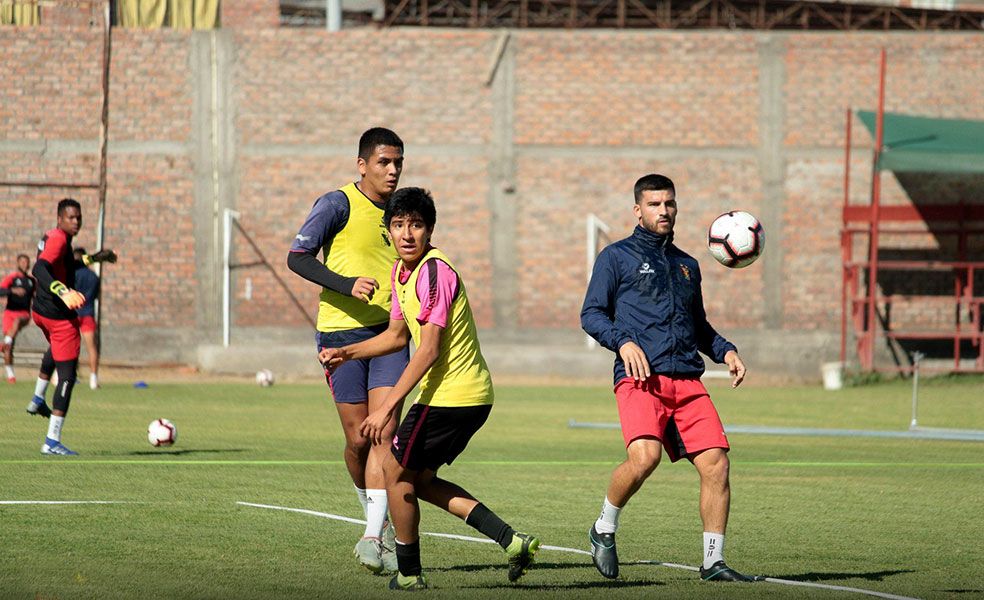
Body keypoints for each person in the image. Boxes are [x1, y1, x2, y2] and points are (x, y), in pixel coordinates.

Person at [320, 187, 540, 591]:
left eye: (416, 225)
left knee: (394, 472)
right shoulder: (400, 272)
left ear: (430, 230)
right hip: (455, 396)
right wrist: (346, 352)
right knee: (419, 481)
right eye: (399, 225)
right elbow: (396, 336)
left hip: (454, 396)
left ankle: (407, 573)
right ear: (388, 231)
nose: (407, 234)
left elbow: (430, 350)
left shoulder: (435, 271)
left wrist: (386, 407)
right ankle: (513, 542)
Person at [580, 174, 759, 583]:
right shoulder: (615, 257)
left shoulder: (687, 265)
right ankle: (603, 527)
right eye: (655, 204)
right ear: (637, 210)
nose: (664, 211)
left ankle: (713, 562)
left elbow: (699, 326)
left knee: (717, 465)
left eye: (670, 204)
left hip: (688, 382)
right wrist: (622, 342)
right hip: (640, 379)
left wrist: (726, 350)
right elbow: (591, 314)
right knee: (645, 458)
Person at [287, 127, 409, 574]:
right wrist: (346, 286)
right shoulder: (336, 204)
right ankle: (370, 508)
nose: (392, 170)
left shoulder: (401, 211)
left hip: (390, 337)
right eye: (383, 162)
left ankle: (375, 534)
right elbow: (296, 258)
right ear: (362, 165)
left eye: (398, 162)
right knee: (358, 440)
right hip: (340, 338)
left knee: (384, 434)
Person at [27, 198, 116, 456]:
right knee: (68, 375)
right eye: (71, 217)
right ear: (59, 218)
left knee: (55, 351)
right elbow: (39, 268)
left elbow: (65, 264)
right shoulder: (58, 240)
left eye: (78, 217)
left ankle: (36, 399)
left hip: (41, 312)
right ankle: (52, 441)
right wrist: (62, 290)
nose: (76, 221)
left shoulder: (57, 237)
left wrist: (95, 258)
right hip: (59, 317)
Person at [1, 254, 36, 383]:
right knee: (9, 347)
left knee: (17, 322)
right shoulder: (12, 278)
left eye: (26, 262)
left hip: (24, 313)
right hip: (10, 313)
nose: (24, 264)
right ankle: (11, 376)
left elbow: (36, 296)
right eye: (22, 262)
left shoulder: (32, 281)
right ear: (17, 263)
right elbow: (1, 290)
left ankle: (5, 343)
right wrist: (12, 291)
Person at [73, 248, 101, 390]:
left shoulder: (72, 274)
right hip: (88, 313)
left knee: (67, 345)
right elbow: (96, 296)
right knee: (91, 347)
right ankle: (93, 380)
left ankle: (58, 376)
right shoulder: (94, 277)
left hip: (73, 314)